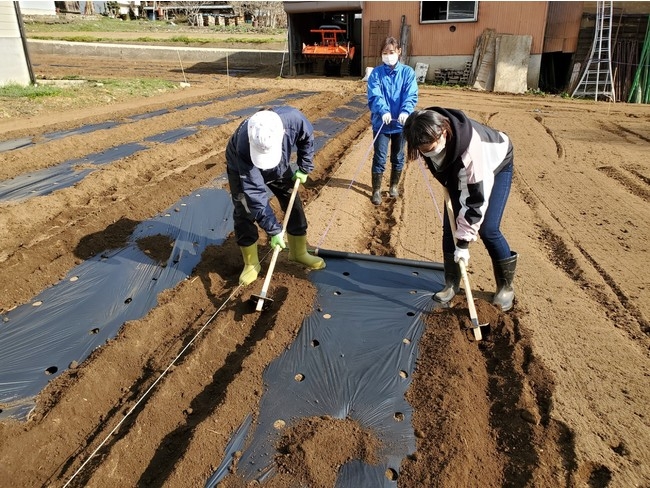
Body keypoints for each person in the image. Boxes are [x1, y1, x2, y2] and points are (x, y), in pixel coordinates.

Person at [402, 107, 518, 311]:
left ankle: (506, 287)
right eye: (423, 151)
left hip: (497, 164)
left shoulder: (472, 155)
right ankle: (451, 283)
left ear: (443, 133)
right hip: (458, 171)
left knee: (488, 229)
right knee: (451, 227)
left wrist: (463, 245)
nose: (427, 153)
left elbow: (475, 201)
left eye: (430, 148)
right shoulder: (423, 129)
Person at [225, 106, 325, 286]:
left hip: (279, 163)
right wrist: (273, 230)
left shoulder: (293, 120)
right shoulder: (243, 145)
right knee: (244, 208)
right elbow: (254, 192)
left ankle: (298, 252)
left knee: (291, 198)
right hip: (242, 166)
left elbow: (307, 139)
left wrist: (305, 167)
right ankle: (251, 264)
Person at [367, 36, 419, 205]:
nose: (388, 55)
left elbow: (410, 94)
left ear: (399, 52)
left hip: (400, 125)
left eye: (391, 52)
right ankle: (376, 189)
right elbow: (375, 94)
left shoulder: (407, 73)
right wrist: (383, 110)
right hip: (382, 123)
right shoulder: (376, 73)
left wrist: (405, 111)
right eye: (384, 53)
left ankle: (394, 186)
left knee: (398, 156)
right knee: (380, 157)